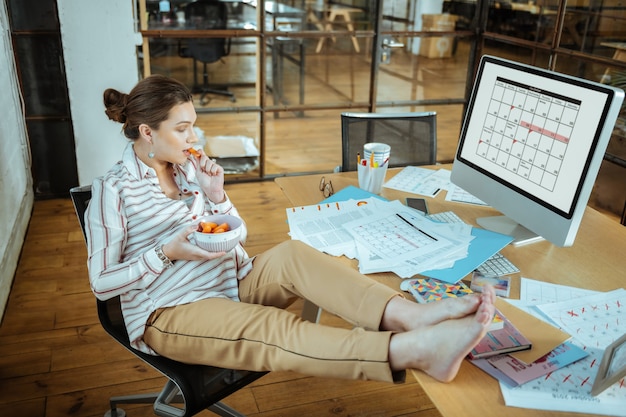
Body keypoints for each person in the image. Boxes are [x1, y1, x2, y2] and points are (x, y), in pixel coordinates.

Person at [85, 74, 496, 385]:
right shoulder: (112, 190)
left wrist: (216, 194)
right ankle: (411, 350)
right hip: (172, 310)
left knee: (294, 254)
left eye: (193, 124)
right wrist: (165, 253)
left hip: (229, 280)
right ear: (146, 132)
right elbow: (102, 284)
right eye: (182, 129)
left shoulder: (189, 169)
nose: (194, 137)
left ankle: (412, 317)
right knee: (272, 328)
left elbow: (233, 235)